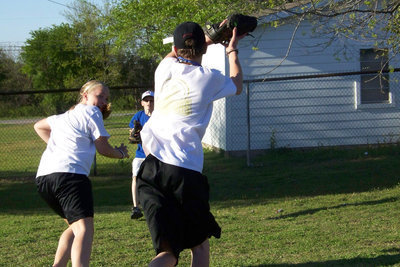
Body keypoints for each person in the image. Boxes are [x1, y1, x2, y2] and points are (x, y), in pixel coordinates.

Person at [137, 21, 245, 267]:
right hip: (184, 169)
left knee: (167, 253)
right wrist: (231, 48)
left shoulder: (164, 69)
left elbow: (177, 53)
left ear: (175, 49)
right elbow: (237, 84)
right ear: (204, 51)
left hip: (150, 169)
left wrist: (210, 37)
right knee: (199, 244)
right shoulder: (209, 78)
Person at [34, 80, 129, 267]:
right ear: (85, 95)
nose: (103, 101)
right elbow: (103, 148)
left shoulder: (63, 117)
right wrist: (121, 154)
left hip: (44, 179)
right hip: (70, 177)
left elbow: (39, 126)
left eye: (107, 98)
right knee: (84, 229)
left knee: (75, 227)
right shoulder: (91, 111)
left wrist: (60, 148)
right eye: (99, 96)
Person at [128, 90, 154, 219]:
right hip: (140, 154)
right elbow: (131, 132)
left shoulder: (159, 116)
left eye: (152, 100)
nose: (149, 102)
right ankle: (136, 207)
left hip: (156, 154)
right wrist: (134, 132)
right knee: (135, 177)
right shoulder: (138, 116)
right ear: (142, 102)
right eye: (147, 100)